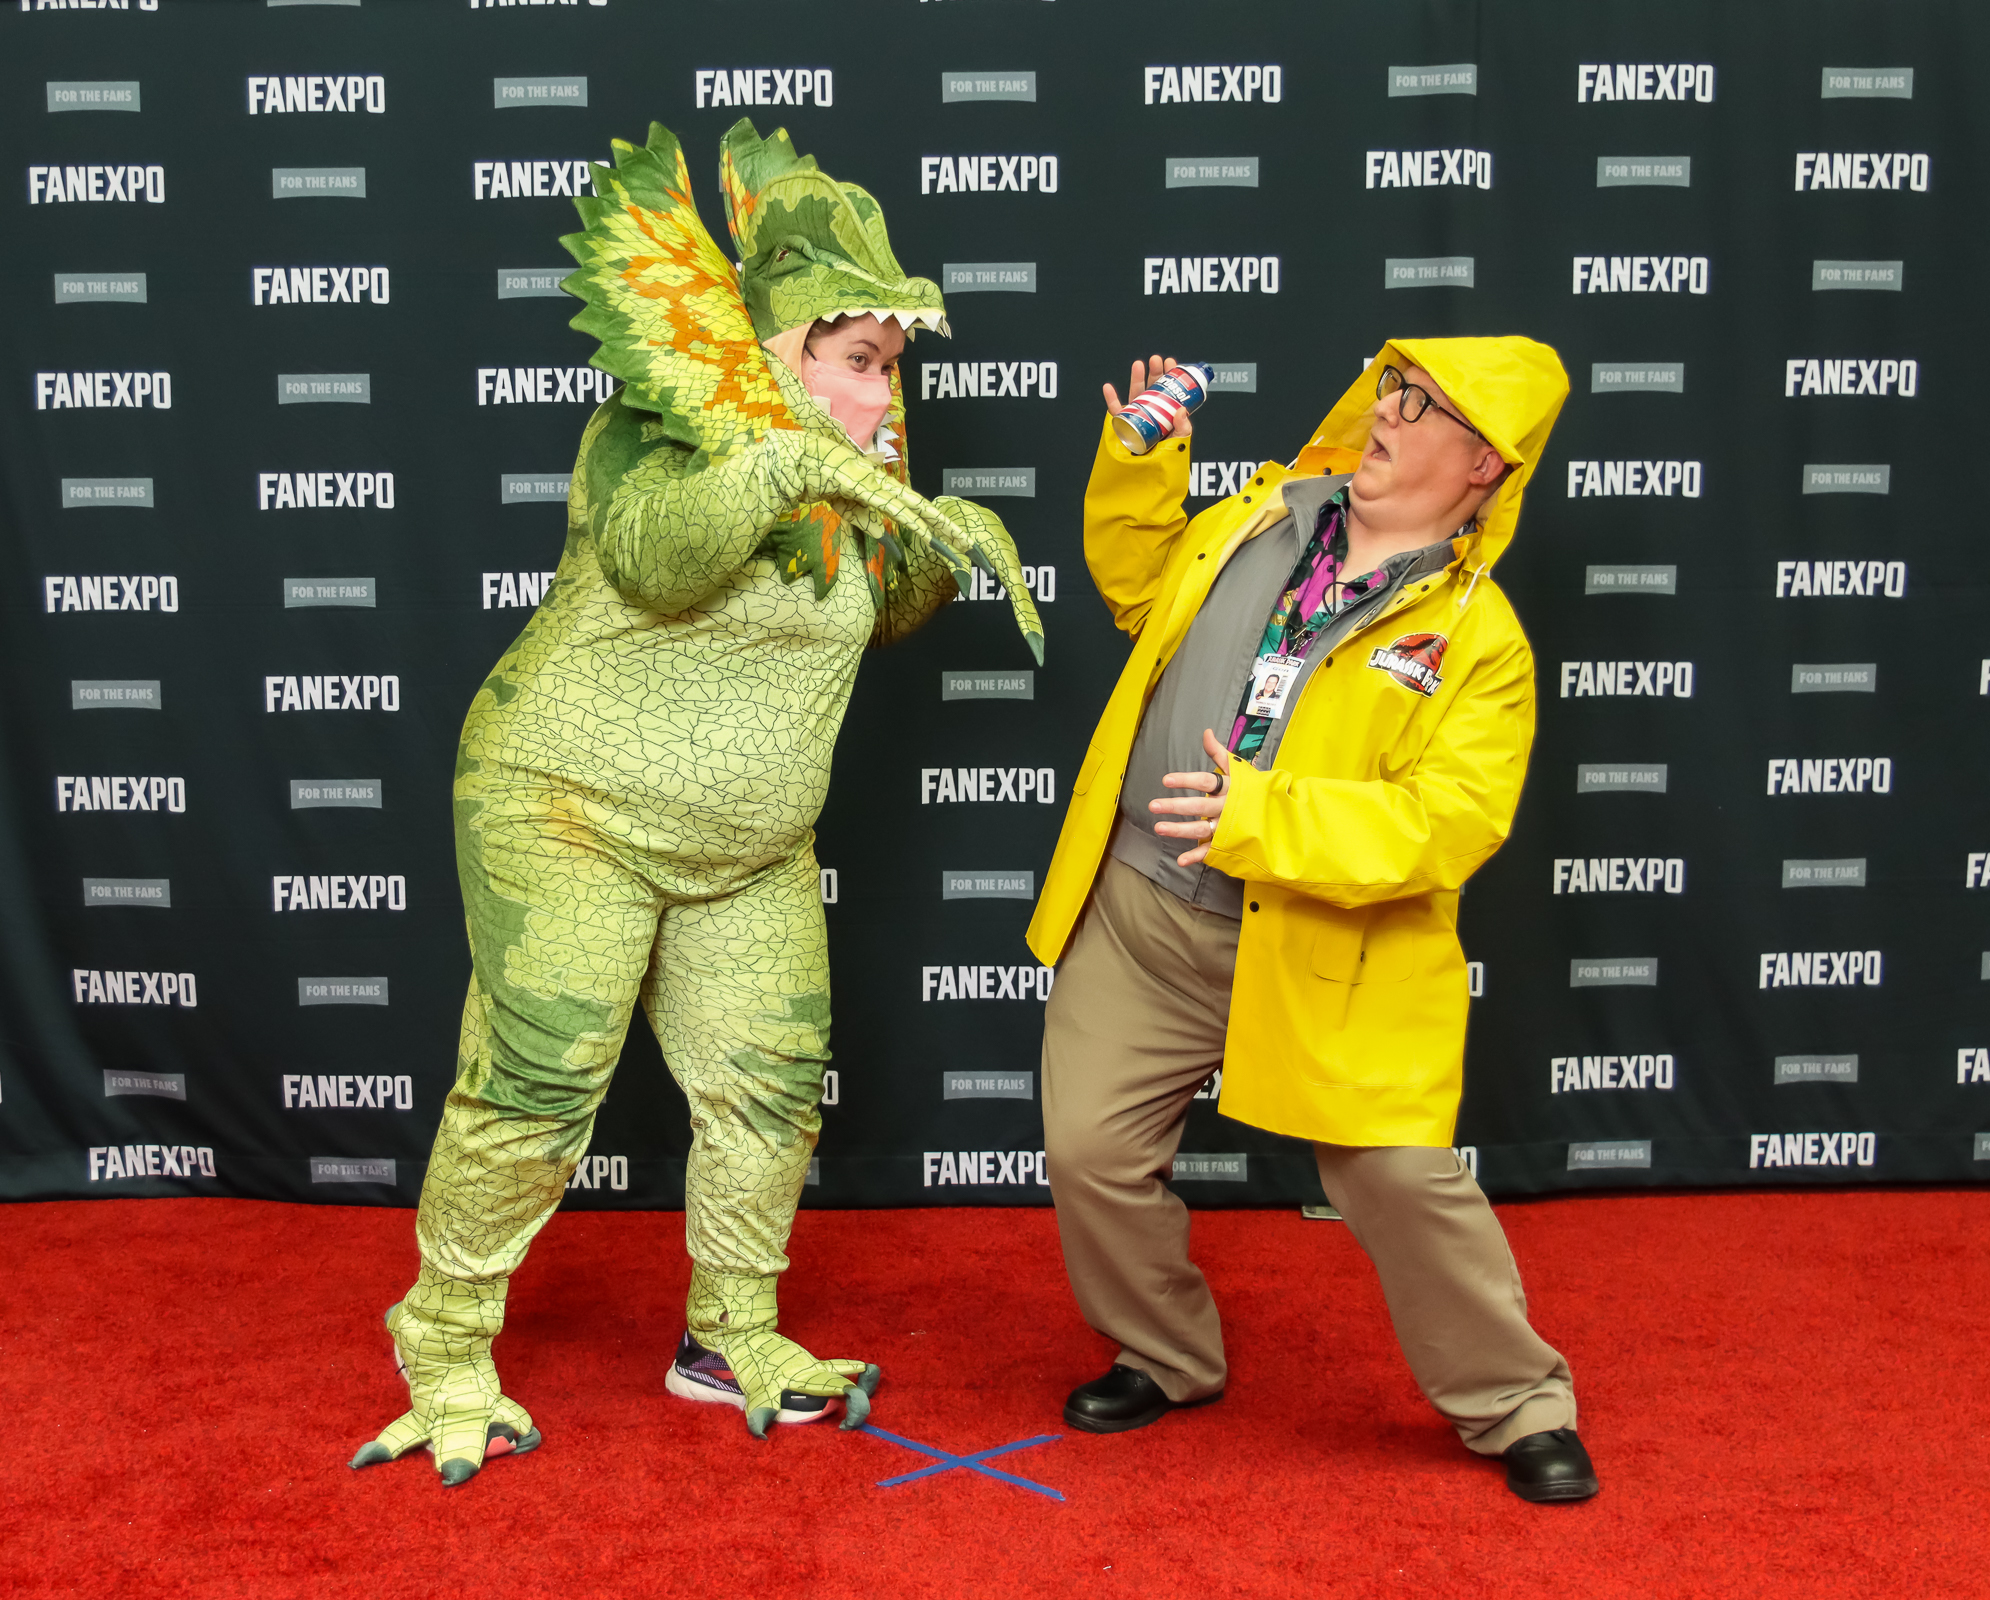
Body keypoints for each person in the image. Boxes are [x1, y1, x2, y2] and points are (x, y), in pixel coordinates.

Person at [348, 119, 1040, 1487]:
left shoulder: (853, 479)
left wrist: (944, 541)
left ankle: (728, 1338)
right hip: (568, 810)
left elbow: (880, 612)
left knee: (772, 1090)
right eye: (858, 362)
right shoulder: (651, 431)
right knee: (540, 1083)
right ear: (780, 354)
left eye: (891, 368)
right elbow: (664, 564)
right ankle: (444, 1344)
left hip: (751, 849)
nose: (882, 395)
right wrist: (793, 462)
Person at [1027, 339, 1597, 1503]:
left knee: (1396, 1177)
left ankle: (1515, 1401)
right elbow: (1141, 591)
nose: (1387, 412)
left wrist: (1264, 816)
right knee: (1089, 1150)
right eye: (1392, 388)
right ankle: (1166, 1352)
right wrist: (1140, 466)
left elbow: (1447, 824)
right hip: (1145, 908)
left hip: (1323, 945)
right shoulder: (1258, 518)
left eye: (1423, 406)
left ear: (1482, 462)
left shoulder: (1481, 642)